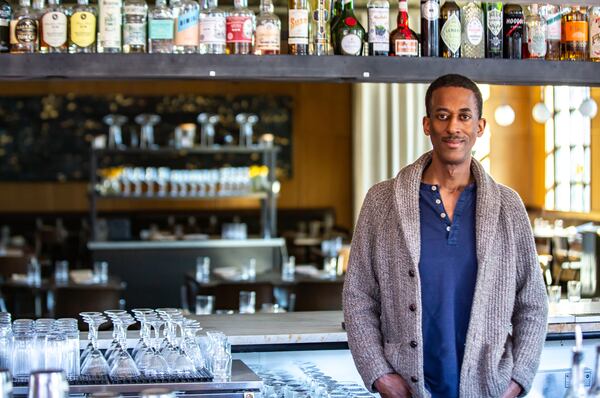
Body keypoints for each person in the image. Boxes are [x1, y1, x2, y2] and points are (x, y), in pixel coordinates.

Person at [343, 74, 548, 398]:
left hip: (489, 390)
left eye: (464, 116)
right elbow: (357, 296)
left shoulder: (508, 207)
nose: (454, 127)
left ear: (479, 127)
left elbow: (533, 303)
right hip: (410, 391)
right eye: (443, 116)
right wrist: (379, 374)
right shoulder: (382, 202)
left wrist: (517, 381)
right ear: (427, 125)